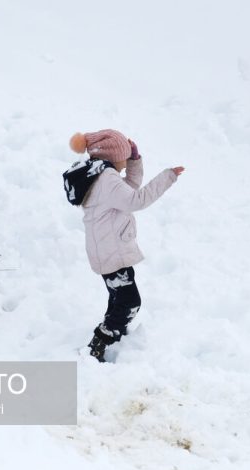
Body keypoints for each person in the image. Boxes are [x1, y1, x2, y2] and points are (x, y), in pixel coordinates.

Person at [63, 129, 184, 362]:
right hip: (111, 251)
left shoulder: (99, 175)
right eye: (124, 156)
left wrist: (135, 162)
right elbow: (136, 200)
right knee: (130, 302)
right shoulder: (106, 178)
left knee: (119, 298)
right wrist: (167, 176)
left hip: (107, 249)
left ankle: (113, 334)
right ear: (113, 156)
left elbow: (128, 191)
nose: (125, 160)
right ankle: (99, 341)